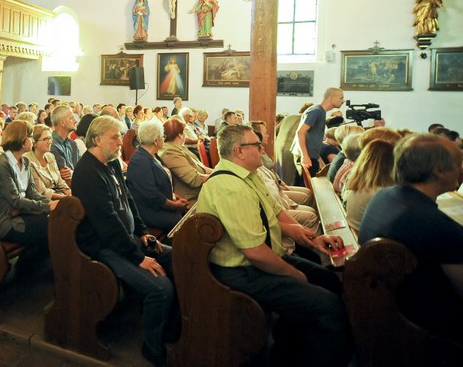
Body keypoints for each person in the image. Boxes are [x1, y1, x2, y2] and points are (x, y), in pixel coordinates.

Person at [193, 125, 352, 367]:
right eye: (256, 145)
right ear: (239, 151)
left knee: (327, 280)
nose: (262, 148)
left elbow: (276, 214)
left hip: (257, 259)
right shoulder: (230, 187)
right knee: (329, 308)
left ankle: (288, 352)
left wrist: (311, 238)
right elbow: (254, 253)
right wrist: (294, 274)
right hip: (240, 271)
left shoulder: (248, 175)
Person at [72, 116, 174, 366]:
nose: (121, 142)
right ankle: (152, 347)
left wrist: (142, 232)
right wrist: (139, 257)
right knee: (161, 289)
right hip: (104, 247)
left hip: (126, 239)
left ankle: (170, 326)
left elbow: (129, 201)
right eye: (115, 137)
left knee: (176, 257)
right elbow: (107, 225)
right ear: (97, 140)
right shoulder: (87, 173)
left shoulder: (112, 162)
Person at [358, 134, 463, 350]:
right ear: (439, 171)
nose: (462, 169)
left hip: (383, 310)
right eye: (459, 163)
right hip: (423, 327)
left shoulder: (384, 196)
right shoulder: (438, 226)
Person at [0, 121, 55, 245]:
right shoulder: (2, 164)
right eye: (30, 136)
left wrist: (50, 203)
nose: (33, 141)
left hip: (20, 214)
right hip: (5, 222)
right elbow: (15, 200)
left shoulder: (25, 162)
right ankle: (32, 263)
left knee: (57, 220)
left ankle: (35, 262)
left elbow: (32, 192)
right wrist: (47, 207)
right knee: (53, 225)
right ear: (21, 139)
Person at [127, 120, 189, 232]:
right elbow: (151, 196)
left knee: (189, 215)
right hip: (150, 211)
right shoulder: (139, 161)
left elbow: (162, 182)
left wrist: (175, 197)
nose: (164, 139)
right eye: (162, 136)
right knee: (183, 223)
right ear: (155, 141)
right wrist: (175, 205)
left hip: (161, 204)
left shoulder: (153, 155)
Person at [342, 139, 396, 234]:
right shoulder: (380, 193)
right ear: (390, 163)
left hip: (360, 236)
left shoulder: (358, 185)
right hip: (374, 245)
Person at [157, 118, 211, 203]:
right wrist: (219, 176)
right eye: (184, 131)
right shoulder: (169, 152)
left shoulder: (179, 147)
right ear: (179, 135)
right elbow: (194, 179)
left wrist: (220, 171)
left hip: (202, 190)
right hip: (191, 198)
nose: (186, 134)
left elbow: (202, 168)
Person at [295, 87, 345, 178]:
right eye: (341, 98)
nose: (343, 101)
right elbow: (300, 132)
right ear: (331, 98)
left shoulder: (321, 112)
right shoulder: (316, 111)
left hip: (312, 158)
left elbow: (312, 139)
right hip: (308, 160)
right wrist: (305, 156)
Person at [25, 124, 71, 200]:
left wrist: (69, 191)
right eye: (45, 139)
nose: (50, 142)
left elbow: (60, 181)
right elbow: (42, 191)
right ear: (34, 143)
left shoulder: (50, 156)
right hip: (43, 201)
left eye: (50, 138)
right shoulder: (28, 160)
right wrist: (65, 198)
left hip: (59, 195)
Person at [50, 105, 79, 186]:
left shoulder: (73, 144)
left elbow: (80, 170)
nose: (75, 121)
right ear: (63, 122)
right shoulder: (52, 145)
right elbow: (66, 178)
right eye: (71, 118)